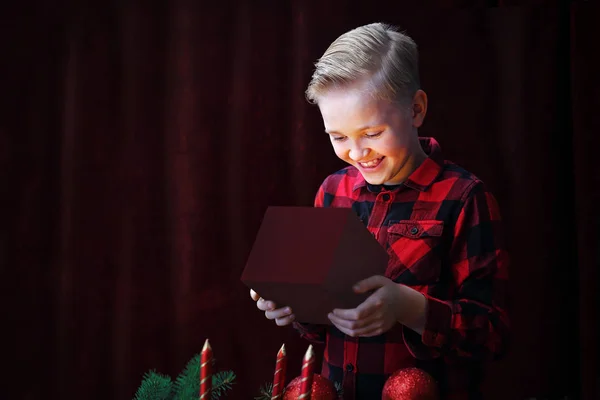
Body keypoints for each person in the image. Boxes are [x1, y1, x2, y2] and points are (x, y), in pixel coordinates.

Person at [250, 22, 509, 399]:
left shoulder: (465, 197)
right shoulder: (331, 191)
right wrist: (294, 305)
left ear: (416, 109)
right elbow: (324, 323)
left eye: (372, 133)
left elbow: (493, 333)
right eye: (338, 137)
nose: (356, 152)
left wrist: (411, 308)